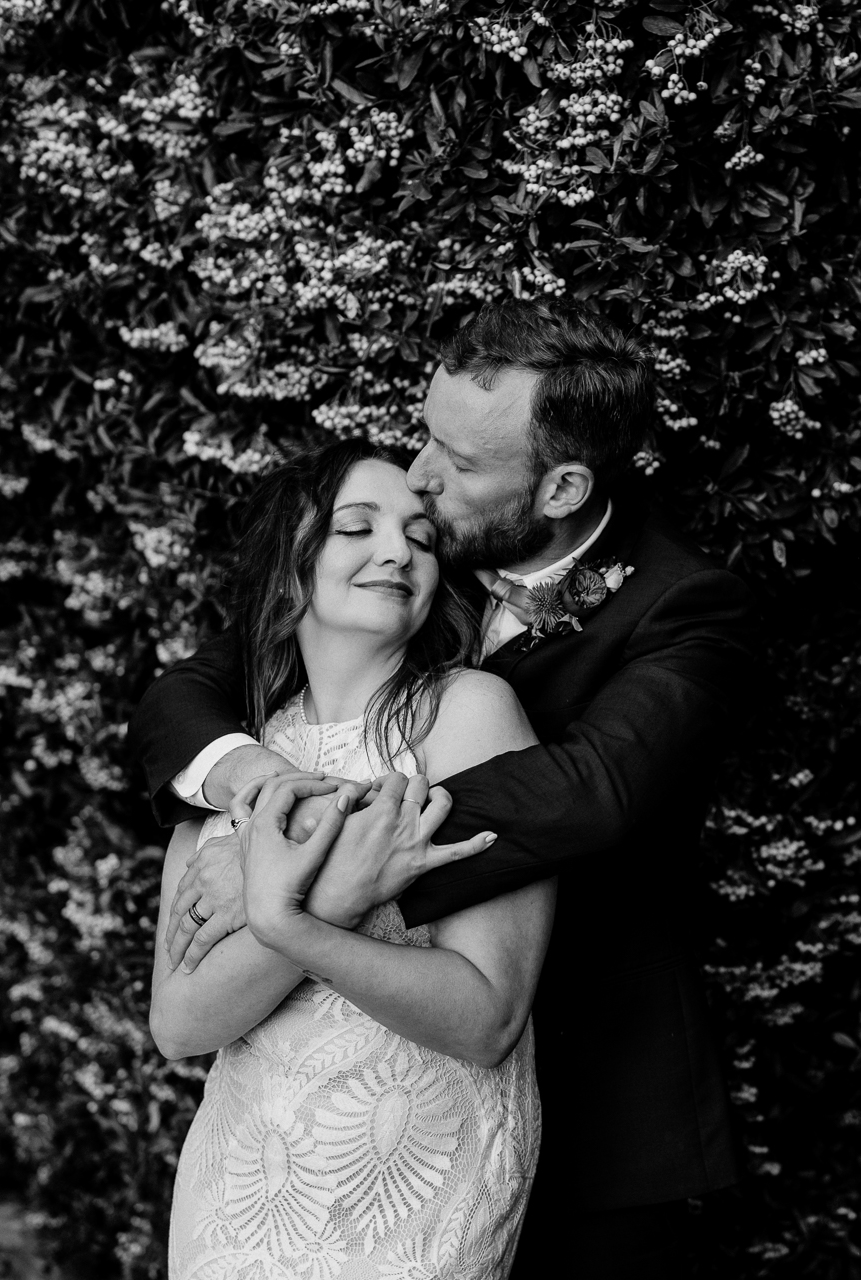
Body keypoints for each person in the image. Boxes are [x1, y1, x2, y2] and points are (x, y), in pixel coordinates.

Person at [128, 299, 748, 1277]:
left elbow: (593, 791)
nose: (420, 474)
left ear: (563, 486)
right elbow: (192, 692)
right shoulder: (424, 552)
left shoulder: (688, 608)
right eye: (426, 434)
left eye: (454, 463)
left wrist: (298, 864)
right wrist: (254, 787)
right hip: (332, 1128)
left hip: (601, 1119)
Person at [153, 438, 554, 1278]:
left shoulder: (469, 716)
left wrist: (291, 922)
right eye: (357, 526)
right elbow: (181, 1022)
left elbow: (485, 1020)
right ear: (291, 569)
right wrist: (327, 904)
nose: (397, 550)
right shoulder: (238, 756)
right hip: (243, 1182)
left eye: (419, 534)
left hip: (414, 1179)